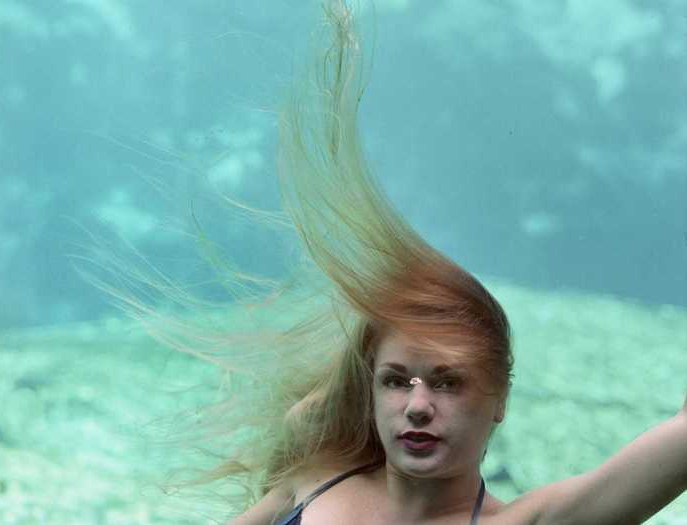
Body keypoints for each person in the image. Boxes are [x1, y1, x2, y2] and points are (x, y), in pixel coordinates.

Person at [90, 1, 686, 523]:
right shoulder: (311, 481)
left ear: (500, 399)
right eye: (396, 380)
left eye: (450, 383)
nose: (418, 406)